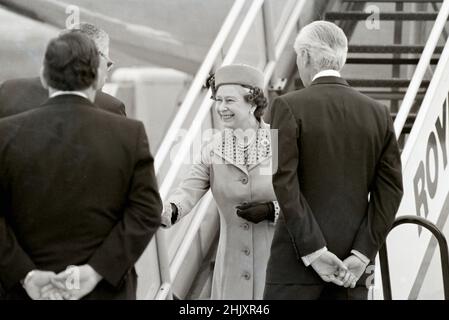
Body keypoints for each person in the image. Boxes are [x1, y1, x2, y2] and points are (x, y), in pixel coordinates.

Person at [0, 31, 162, 300]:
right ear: (98, 76)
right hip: (104, 292)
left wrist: (25, 273)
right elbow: (147, 210)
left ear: (44, 76)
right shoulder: (129, 134)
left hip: (23, 293)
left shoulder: (4, 134)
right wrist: (97, 270)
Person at [264, 21, 403, 300]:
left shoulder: (287, 106)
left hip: (294, 270)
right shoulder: (378, 113)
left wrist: (314, 251)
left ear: (305, 56)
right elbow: (390, 191)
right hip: (352, 272)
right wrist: (362, 253)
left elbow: (285, 184)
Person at [161, 64, 279, 300]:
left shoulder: (280, 144)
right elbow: (188, 190)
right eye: (218, 100)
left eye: (230, 101)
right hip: (231, 269)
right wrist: (169, 209)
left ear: (253, 102)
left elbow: (304, 198)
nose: (221, 108)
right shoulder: (212, 147)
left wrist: (271, 210)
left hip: (276, 264)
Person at [0, 23, 126, 118]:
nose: (107, 74)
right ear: (96, 59)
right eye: (108, 64)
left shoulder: (8, 90)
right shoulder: (110, 107)